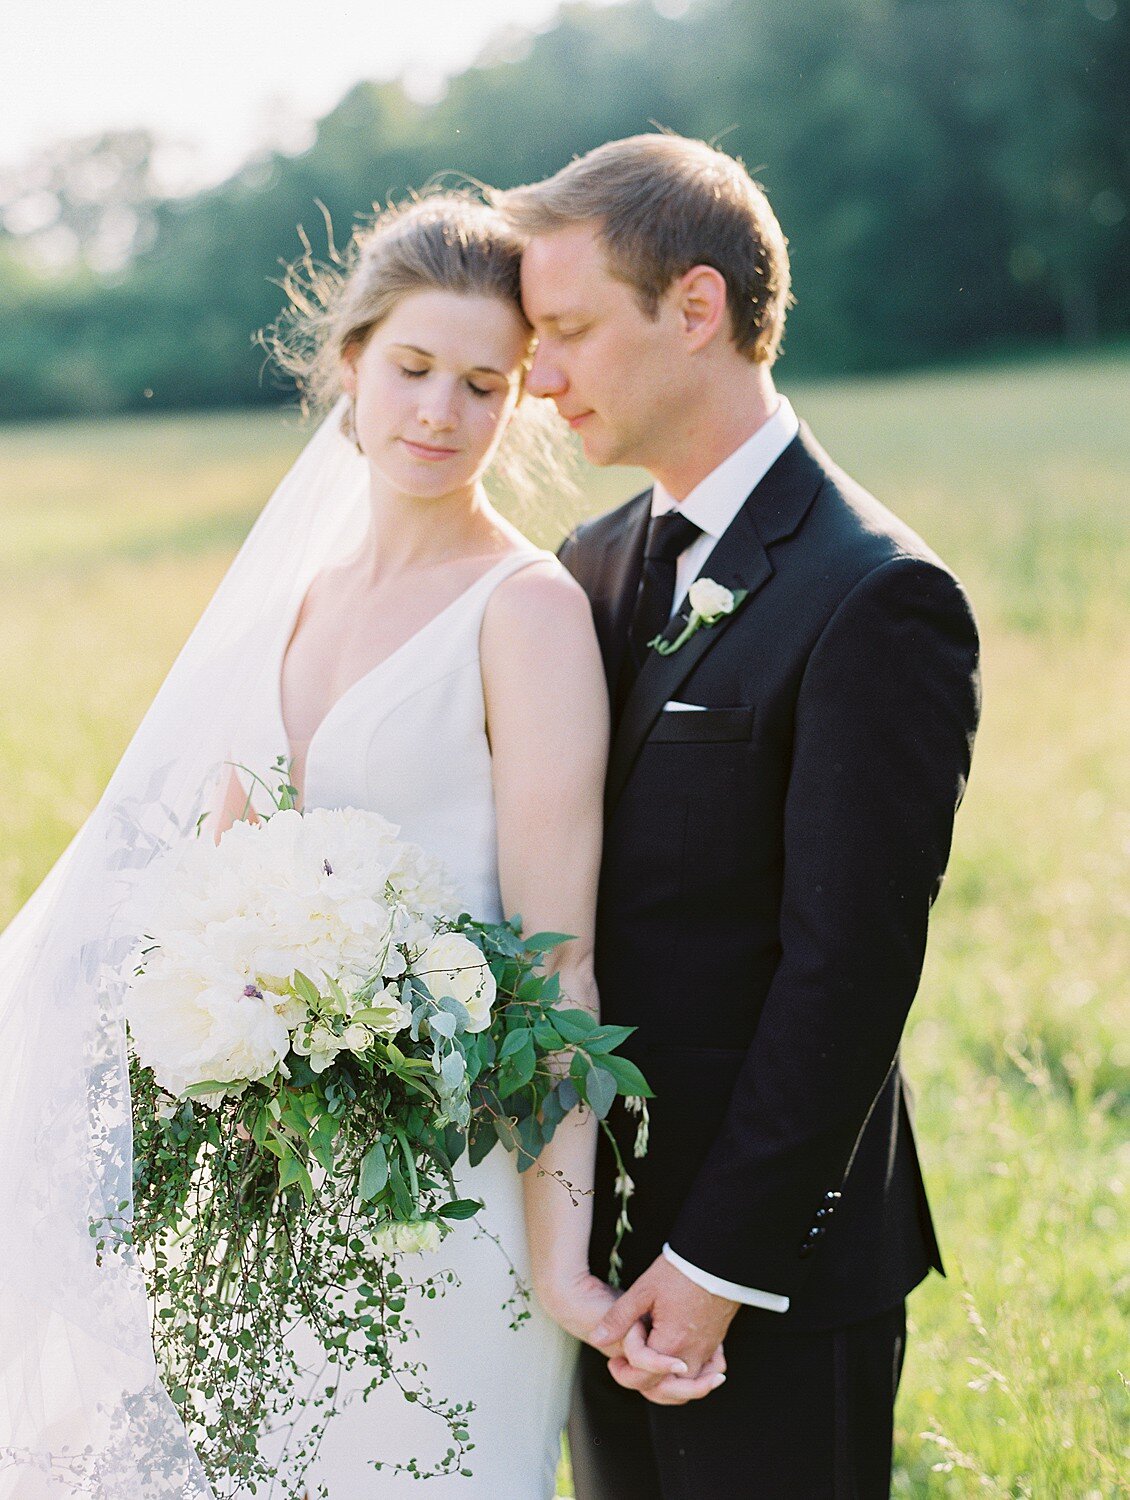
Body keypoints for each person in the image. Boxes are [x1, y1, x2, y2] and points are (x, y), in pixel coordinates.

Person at [0, 194, 713, 1500]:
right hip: (267, 1184)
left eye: (483, 384)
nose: (440, 412)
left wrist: (561, 1258)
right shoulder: (299, 601)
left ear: (518, 403)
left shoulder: (525, 614)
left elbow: (559, 964)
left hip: (454, 1186)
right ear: (348, 362)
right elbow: (210, 882)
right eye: (413, 368)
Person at [498, 135, 982, 1498]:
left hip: (770, 1271)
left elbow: (849, 972)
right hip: (594, 1253)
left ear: (695, 308)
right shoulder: (587, 568)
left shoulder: (875, 596)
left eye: (570, 332)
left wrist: (715, 1268)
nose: (541, 379)